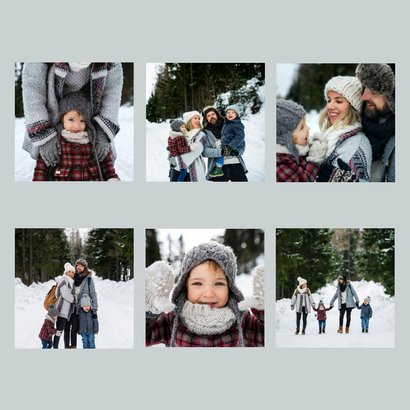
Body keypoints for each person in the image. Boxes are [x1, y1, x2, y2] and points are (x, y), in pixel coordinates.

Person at [145, 242, 264, 347]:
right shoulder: (172, 319)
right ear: (185, 287)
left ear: (231, 288)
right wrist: (150, 308)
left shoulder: (243, 320)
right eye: (197, 283)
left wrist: (264, 311)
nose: (208, 293)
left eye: (219, 283)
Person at [22, 63, 123, 170]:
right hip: (51, 115)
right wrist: (44, 135)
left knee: (98, 165)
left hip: (91, 118)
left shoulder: (111, 61)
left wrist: (103, 132)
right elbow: (33, 91)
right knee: (52, 166)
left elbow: (112, 95)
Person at [32, 91, 120, 181]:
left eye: (82, 121)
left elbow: (106, 164)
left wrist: (112, 177)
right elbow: (42, 167)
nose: (77, 126)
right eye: (71, 119)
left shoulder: (93, 139)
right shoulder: (55, 140)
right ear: (62, 118)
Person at [315, 76, 372, 182]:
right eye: (329, 100)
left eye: (339, 101)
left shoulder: (356, 145)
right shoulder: (327, 135)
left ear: (353, 107)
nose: (330, 106)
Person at [356, 64, 395, 182]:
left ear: (392, 99)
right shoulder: (354, 125)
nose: (363, 97)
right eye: (364, 88)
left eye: (374, 91)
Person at [276, 99, 325, 182]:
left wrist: (311, 145)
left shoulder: (296, 147)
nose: (308, 128)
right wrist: (314, 159)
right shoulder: (281, 161)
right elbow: (303, 180)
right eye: (302, 127)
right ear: (286, 138)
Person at [201, 106, 248, 181]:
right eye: (208, 116)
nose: (211, 117)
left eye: (213, 114)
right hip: (218, 167)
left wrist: (237, 151)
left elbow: (241, 142)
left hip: (235, 162)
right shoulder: (205, 133)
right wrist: (221, 152)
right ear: (206, 119)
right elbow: (204, 152)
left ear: (217, 115)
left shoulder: (229, 125)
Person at [66, 258, 99, 348]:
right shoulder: (72, 278)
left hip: (85, 309)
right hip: (73, 308)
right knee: (73, 329)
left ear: (85, 267)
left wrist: (94, 308)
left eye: (81, 265)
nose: (79, 267)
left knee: (87, 331)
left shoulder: (88, 279)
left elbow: (93, 293)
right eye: (77, 265)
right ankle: (73, 346)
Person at [168, 111, 206, 182]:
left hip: (192, 169)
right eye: (195, 118)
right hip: (177, 169)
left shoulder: (200, 134)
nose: (198, 120)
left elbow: (198, 148)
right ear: (188, 120)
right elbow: (172, 148)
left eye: (199, 118)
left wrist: (178, 162)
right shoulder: (181, 133)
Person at [53, 263, 76, 348]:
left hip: (68, 312)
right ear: (66, 272)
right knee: (59, 331)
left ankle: (66, 347)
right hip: (61, 311)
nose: (71, 273)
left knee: (67, 331)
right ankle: (55, 347)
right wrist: (74, 299)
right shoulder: (63, 280)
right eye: (69, 272)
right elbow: (65, 294)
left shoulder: (70, 282)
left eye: (72, 272)